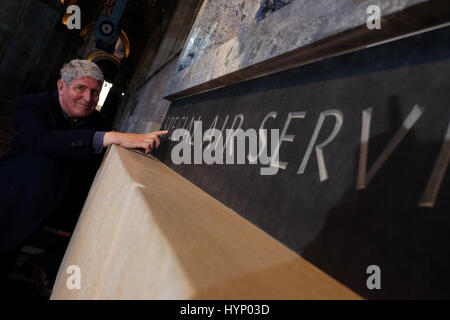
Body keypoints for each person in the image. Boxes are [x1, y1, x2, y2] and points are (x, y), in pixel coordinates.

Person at [0, 59, 167, 292]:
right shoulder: (33, 105)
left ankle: (43, 265)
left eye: (95, 92)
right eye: (80, 89)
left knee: (113, 231)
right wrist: (108, 137)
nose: (88, 99)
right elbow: (40, 141)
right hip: (15, 200)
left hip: (61, 207)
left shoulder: (98, 122)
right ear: (61, 86)